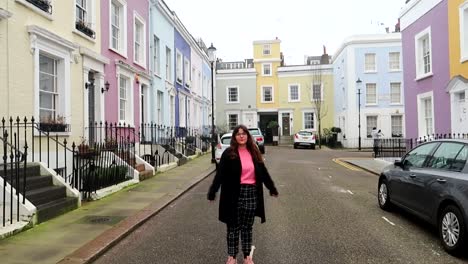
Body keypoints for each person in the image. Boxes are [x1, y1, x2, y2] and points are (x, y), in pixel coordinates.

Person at [207, 124, 279, 264]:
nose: (241, 136)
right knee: (233, 226)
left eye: (244, 133)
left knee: (247, 227)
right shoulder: (228, 153)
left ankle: (247, 256)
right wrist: (213, 191)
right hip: (233, 194)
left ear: (247, 136)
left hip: (251, 194)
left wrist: (272, 188)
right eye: (238, 134)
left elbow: (263, 173)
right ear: (235, 137)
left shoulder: (254, 152)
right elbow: (220, 174)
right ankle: (232, 256)